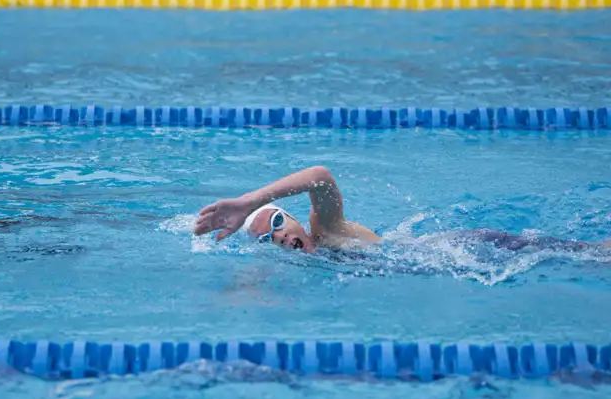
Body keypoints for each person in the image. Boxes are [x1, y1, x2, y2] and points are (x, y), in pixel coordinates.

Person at [193, 166, 610, 254]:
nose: (280, 235)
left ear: (297, 218)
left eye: (279, 222)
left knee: (589, 254)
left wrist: (251, 202)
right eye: (269, 238)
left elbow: (320, 176)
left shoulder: (326, 230)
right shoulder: (310, 263)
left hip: (475, 247)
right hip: (454, 265)